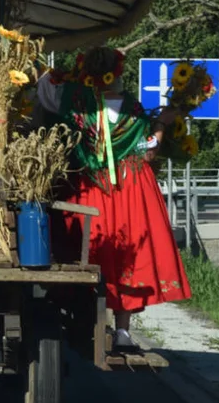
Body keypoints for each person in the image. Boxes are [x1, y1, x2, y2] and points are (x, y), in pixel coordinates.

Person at [37, 46, 191, 349]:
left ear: (86, 71)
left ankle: (85, 317)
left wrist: (63, 75)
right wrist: (162, 124)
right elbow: (146, 151)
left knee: (88, 248)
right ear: (117, 73)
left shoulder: (71, 99)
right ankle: (122, 331)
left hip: (88, 185)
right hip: (128, 187)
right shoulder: (131, 108)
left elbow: (44, 88)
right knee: (127, 253)